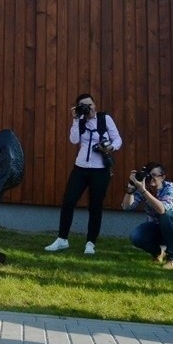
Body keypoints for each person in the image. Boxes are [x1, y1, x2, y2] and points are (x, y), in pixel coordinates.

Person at [45, 93, 122, 255]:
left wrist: (110, 148)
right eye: (84, 106)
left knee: (95, 206)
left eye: (90, 104)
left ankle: (90, 243)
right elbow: (73, 140)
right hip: (80, 168)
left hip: (100, 170)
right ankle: (62, 239)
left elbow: (118, 140)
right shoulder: (80, 121)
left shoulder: (104, 119)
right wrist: (75, 119)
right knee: (68, 201)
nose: (89, 108)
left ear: (95, 104)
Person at [122, 162, 173, 270]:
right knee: (136, 236)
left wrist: (143, 190)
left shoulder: (171, 189)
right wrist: (131, 188)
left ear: (163, 177)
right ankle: (158, 253)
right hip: (159, 228)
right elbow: (127, 207)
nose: (150, 178)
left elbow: (162, 209)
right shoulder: (144, 188)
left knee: (166, 215)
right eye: (148, 175)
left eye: (154, 175)